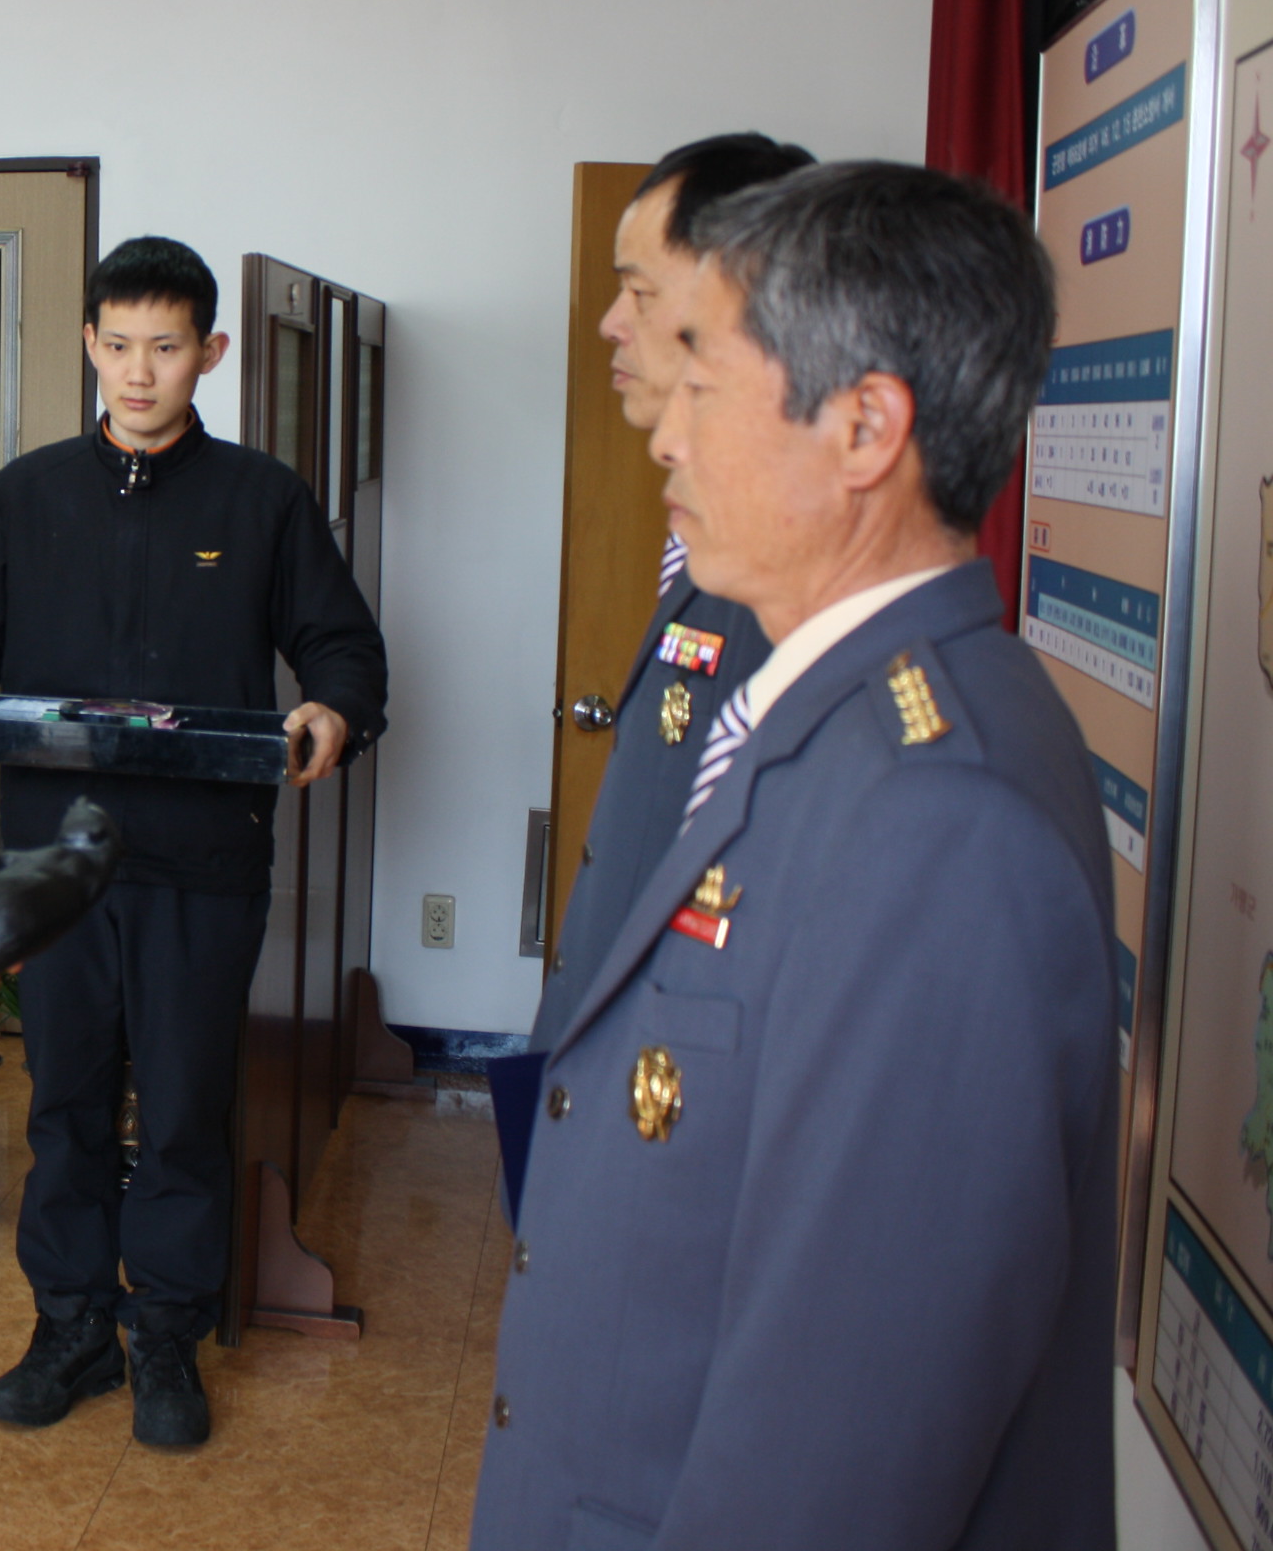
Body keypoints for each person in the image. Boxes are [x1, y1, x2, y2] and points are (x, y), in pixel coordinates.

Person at [474, 163, 1117, 1548]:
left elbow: (840, 1453)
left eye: (704, 386)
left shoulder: (941, 822)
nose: (665, 437)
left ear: (864, 427)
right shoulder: (828, 714)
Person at [0, 235, 387, 1448]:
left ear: (209, 352)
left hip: (201, 858)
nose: (137, 370)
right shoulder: (29, 492)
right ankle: (67, 1324)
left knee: (178, 1105)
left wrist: (331, 708)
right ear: (88, 344)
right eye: (116, 344)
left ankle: (164, 1328)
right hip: (53, 866)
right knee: (60, 1099)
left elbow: (341, 648)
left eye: (164, 346)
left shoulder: (261, 498)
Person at [493, 135, 809, 1220]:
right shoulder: (710, 550)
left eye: (637, 290)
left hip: (671, 1125)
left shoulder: (782, 586)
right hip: (603, 1073)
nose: (608, 324)